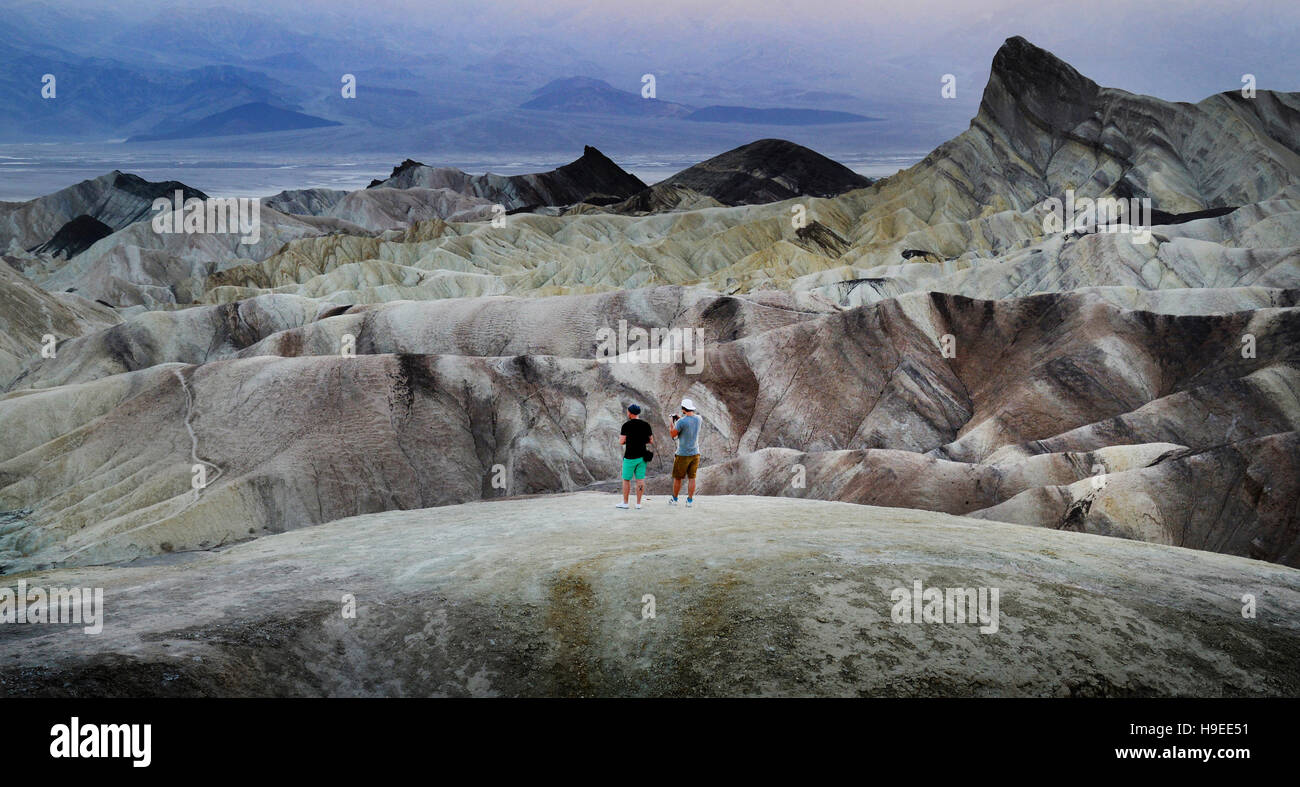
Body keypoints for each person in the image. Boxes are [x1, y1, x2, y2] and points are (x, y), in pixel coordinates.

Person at [617, 403, 653, 509]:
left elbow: (621, 441)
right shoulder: (646, 425)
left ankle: (625, 503)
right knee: (640, 479)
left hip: (630, 457)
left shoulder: (626, 425)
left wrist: (629, 440)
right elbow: (651, 440)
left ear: (630, 413)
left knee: (626, 480)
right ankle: (638, 504)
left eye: (628, 411)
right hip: (642, 457)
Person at [668, 397, 701, 507]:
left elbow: (673, 434)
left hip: (682, 454)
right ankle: (689, 501)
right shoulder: (699, 419)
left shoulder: (681, 422)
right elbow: (689, 421)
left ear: (683, 409)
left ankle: (675, 499)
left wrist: (671, 423)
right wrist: (680, 418)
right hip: (695, 453)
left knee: (678, 478)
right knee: (692, 478)